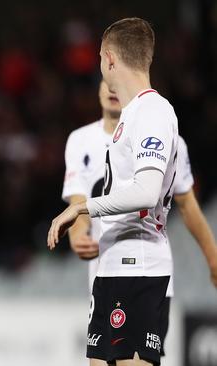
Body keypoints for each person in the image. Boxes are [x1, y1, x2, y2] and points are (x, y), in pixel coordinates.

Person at [47, 18, 178, 366]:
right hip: (112, 267)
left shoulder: (153, 110)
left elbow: (147, 191)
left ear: (107, 58)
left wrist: (81, 208)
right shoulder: (132, 114)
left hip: (139, 266)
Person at [62, 81, 217, 363]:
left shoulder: (164, 138)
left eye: (115, 84)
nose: (111, 89)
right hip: (103, 272)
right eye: (105, 83)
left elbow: (188, 206)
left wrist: (213, 257)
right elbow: (77, 201)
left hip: (145, 271)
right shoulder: (80, 141)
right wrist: (77, 234)